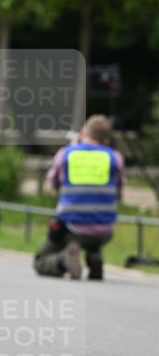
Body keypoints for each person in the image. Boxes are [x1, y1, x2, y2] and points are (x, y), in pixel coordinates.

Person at [33, 115, 125, 280]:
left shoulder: (66, 154)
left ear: (83, 133)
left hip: (72, 228)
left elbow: (53, 183)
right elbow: (119, 189)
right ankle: (95, 257)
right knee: (92, 229)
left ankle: (63, 260)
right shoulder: (115, 158)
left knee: (40, 261)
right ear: (106, 140)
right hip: (105, 230)